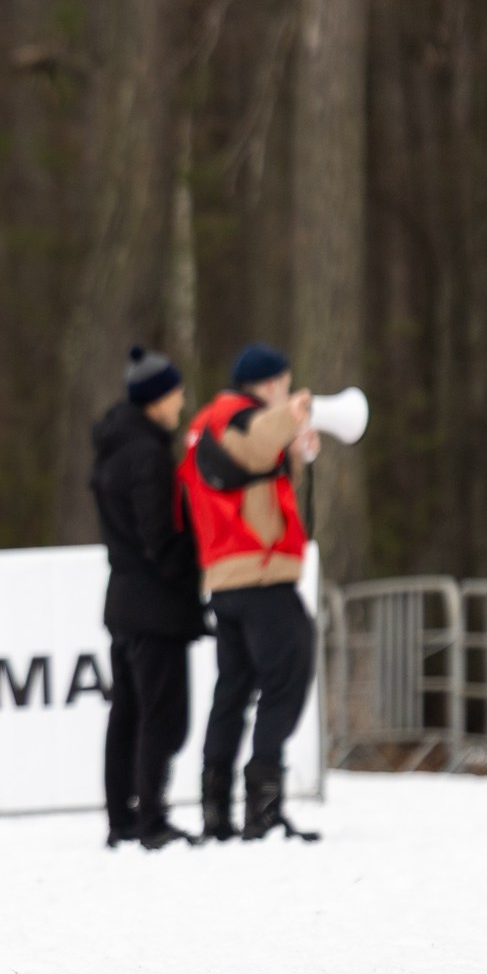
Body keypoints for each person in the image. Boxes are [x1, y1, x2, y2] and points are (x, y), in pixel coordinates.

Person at [176, 342, 321, 843]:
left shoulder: (205, 423)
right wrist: (291, 417)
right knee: (289, 672)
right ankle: (263, 806)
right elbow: (256, 442)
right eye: (283, 383)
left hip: (224, 576)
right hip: (258, 573)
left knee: (233, 689)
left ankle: (217, 810)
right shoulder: (236, 414)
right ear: (271, 384)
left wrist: (297, 453)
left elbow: (246, 474)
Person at [88, 346, 200, 851]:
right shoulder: (148, 454)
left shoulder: (114, 447)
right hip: (154, 605)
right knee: (161, 714)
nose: (180, 402)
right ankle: (152, 818)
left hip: (124, 602)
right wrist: (191, 566)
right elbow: (159, 536)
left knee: (127, 713)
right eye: (175, 393)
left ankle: (122, 817)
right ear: (155, 399)